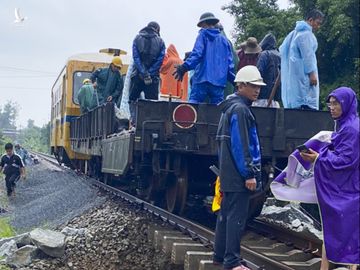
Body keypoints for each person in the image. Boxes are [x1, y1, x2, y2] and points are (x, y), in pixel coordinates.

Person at [300, 87, 359, 269]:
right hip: (349, 185)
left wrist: (318, 158)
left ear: (346, 104)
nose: (331, 107)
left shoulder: (350, 129)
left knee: (342, 229)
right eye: (330, 103)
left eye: (336, 103)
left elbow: (346, 160)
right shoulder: (345, 124)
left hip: (349, 189)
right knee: (335, 229)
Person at [214, 65, 265, 270]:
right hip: (237, 175)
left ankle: (220, 256)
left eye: (259, 86)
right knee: (236, 217)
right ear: (241, 85)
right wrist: (249, 173)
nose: (257, 90)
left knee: (225, 214)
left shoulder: (229, 108)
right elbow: (241, 144)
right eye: (253, 85)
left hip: (228, 172)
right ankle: (232, 262)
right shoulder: (241, 110)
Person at [174, 12, 235, 104]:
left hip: (201, 79)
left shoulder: (203, 35)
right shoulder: (225, 41)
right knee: (216, 111)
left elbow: (197, 54)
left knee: (193, 107)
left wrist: (184, 67)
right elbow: (229, 65)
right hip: (218, 83)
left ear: (204, 23)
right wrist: (235, 81)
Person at [280, 9, 324, 110]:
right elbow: (308, 55)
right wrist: (312, 73)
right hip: (303, 77)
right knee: (306, 102)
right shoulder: (306, 34)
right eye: (318, 23)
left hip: (294, 75)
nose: (318, 26)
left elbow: (282, 50)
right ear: (311, 20)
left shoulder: (294, 33)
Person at [129, 21, 165, 122]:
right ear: (157, 30)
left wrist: (143, 72)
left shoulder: (137, 39)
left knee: (132, 98)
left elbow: (136, 58)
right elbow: (160, 60)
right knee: (153, 102)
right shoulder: (161, 42)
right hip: (153, 78)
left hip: (138, 76)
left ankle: (134, 121)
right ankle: (151, 122)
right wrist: (150, 73)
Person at [253, 33, 281, 108]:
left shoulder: (264, 54)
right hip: (275, 98)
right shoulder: (280, 56)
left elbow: (258, 73)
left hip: (262, 96)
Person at [216, 22, 239, 97]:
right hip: (227, 83)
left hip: (209, 83)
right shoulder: (228, 42)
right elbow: (235, 61)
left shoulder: (208, 41)